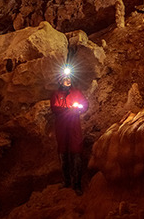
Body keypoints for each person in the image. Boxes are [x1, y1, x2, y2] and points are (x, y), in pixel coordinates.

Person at [50, 67, 88, 195]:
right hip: (62, 128)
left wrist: (78, 109)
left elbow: (85, 105)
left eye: (69, 78)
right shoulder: (56, 94)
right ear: (60, 81)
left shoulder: (76, 92)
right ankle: (66, 182)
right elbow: (55, 108)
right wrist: (69, 109)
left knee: (76, 153)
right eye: (65, 79)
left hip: (74, 127)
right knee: (64, 155)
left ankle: (77, 185)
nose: (68, 80)